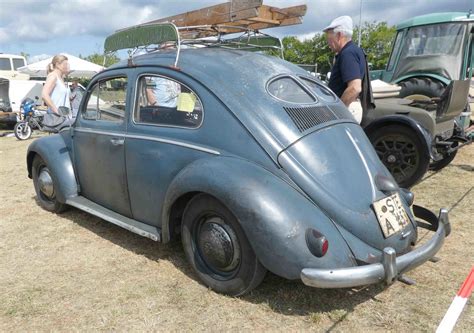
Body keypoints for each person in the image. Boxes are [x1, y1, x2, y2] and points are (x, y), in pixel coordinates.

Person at [323, 16, 366, 122]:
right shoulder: (354, 51)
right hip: (349, 108)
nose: (328, 44)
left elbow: (355, 88)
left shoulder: (348, 53)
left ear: (339, 35)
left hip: (347, 109)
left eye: (329, 39)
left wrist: (338, 110)